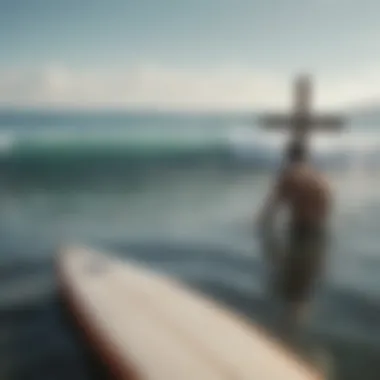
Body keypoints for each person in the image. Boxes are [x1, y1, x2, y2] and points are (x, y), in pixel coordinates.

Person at [257, 140, 332, 337]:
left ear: (288, 157)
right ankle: (298, 332)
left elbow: (269, 211)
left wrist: (263, 234)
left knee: (289, 290)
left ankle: (286, 336)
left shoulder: (290, 175)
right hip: (320, 236)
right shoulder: (319, 177)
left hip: (301, 236)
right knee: (303, 293)